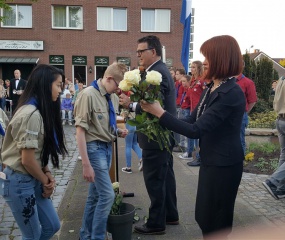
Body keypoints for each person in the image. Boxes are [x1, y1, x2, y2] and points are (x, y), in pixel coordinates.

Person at [140, 35, 245, 239]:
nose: (204, 61)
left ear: (223, 58)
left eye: (208, 56)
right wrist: (160, 118)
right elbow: (190, 119)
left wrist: (159, 113)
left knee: (216, 222)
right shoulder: (212, 88)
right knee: (204, 216)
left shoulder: (231, 93)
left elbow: (196, 130)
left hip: (224, 166)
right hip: (211, 161)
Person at [119, 35, 179, 235]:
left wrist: (130, 104)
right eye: (137, 52)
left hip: (156, 137)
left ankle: (155, 223)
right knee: (166, 177)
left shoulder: (157, 73)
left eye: (141, 52)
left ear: (153, 51)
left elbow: (154, 106)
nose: (138, 56)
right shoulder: (156, 71)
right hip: (160, 136)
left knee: (155, 180)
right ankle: (170, 215)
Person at [1, 64, 68, 239]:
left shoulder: (39, 111)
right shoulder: (31, 114)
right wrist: (46, 180)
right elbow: (27, 160)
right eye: (58, 85)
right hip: (20, 180)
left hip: (33, 176)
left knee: (52, 225)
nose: (61, 90)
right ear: (46, 85)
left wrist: (46, 171)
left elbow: (39, 150)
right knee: (32, 235)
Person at [74, 62, 128, 240]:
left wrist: (118, 131)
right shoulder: (88, 95)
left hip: (107, 147)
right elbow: (80, 132)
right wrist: (85, 164)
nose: (118, 90)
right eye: (118, 86)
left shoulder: (111, 97)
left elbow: (106, 125)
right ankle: (97, 236)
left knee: (95, 197)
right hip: (94, 148)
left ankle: (85, 235)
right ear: (109, 78)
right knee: (107, 195)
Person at [262, 75, 285, 200]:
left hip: (280, 119)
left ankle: (280, 189)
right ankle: (274, 181)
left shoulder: (281, 79)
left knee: (284, 154)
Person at [182, 60, 205, 166]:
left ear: (199, 68)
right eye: (191, 67)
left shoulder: (202, 81)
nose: (192, 69)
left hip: (200, 111)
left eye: (194, 67)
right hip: (193, 110)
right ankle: (196, 156)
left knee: (198, 135)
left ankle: (199, 157)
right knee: (193, 135)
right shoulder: (193, 81)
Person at [120, 92, 143, 174]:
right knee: (134, 144)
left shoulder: (124, 98)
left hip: (129, 122)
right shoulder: (134, 96)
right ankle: (142, 159)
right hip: (135, 122)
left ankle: (128, 167)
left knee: (128, 145)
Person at [236, 73, 257, 155]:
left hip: (240, 115)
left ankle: (240, 164)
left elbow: (252, 100)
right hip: (227, 116)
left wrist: (244, 112)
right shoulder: (226, 81)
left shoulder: (248, 82)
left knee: (240, 139)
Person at [173, 68, 186, 152]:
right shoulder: (177, 83)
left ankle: (181, 145)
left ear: (182, 75)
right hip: (176, 105)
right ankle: (176, 143)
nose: (175, 75)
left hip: (180, 105)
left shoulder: (183, 83)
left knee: (179, 126)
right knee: (175, 126)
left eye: (177, 74)